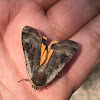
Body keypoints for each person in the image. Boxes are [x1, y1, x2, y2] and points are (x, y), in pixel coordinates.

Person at [0, 0, 100, 100]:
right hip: (45, 57)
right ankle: (49, 47)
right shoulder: (33, 74)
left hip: (48, 61)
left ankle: (49, 47)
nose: (35, 89)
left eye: (35, 86)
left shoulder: (46, 78)